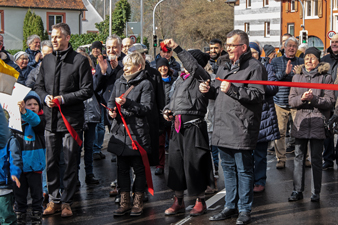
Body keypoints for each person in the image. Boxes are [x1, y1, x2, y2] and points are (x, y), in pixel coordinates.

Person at [201, 30, 266, 224]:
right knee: (227, 170)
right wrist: (208, 91)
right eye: (227, 45)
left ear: (243, 47)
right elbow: (219, 94)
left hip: (241, 127)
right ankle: (230, 206)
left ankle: (244, 209)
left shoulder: (255, 67)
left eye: (231, 45)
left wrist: (233, 89)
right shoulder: (224, 66)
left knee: (244, 170)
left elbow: (258, 95)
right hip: (222, 126)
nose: (227, 48)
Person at [34, 22, 93, 217]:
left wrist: (63, 99)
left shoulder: (80, 61)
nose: (54, 39)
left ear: (68, 38)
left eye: (58, 36)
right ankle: (53, 200)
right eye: (52, 36)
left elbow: (87, 90)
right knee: (50, 162)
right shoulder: (47, 60)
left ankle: (67, 201)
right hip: (50, 120)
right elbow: (38, 86)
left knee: (69, 161)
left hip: (71, 121)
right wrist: (45, 97)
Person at [162, 39, 213, 217]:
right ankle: (178, 201)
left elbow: (192, 66)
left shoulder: (202, 77)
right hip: (176, 127)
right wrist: (167, 111)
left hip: (194, 128)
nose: (184, 64)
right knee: (175, 164)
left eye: (188, 60)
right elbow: (172, 102)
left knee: (195, 165)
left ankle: (200, 201)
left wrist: (177, 48)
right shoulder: (179, 79)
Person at [107, 52, 154, 217]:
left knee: (139, 169)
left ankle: (138, 201)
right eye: (124, 65)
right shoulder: (119, 81)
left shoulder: (145, 84)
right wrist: (111, 112)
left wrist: (128, 103)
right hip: (120, 132)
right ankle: (124, 201)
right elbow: (111, 101)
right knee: (122, 169)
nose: (124, 68)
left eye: (128, 65)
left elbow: (146, 109)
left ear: (139, 66)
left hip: (137, 133)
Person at [288, 47, 335, 202]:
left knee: (316, 158)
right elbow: (291, 101)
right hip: (301, 121)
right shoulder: (296, 77)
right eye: (306, 58)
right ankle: (297, 190)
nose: (309, 61)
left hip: (318, 121)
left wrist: (313, 99)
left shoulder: (326, 78)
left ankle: (316, 191)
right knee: (298, 157)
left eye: (312, 58)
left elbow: (330, 102)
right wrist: (302, 98)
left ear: (318, 60)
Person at [249, 42, 280, 193]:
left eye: (254, 52)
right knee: (246, 153)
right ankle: (248, 179)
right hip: (246, 115)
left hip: (263, 115)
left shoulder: (267, 67)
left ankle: (260, 180)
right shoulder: (242, 67)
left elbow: (273, 87)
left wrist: (256, 86)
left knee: (260, 153)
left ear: (259, 54)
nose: (252, 54)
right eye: (249, 52)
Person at [12, 91, 46, 225]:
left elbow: (35, 121)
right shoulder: (15, 123)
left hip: (34, 166)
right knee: (19, 195)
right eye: (29, 104)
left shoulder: (40, 120)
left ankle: (37, 216)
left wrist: (25, 112)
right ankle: (20, 216)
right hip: (19, 167)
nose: (32, 106)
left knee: (37, 194)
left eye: (35, 104)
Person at [271, 36, 304, 169]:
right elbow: (272, 79)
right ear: (284, 47)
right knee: (280, 132)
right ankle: (281, 158)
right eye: (289, 45)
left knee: (300, 131)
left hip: (297, 102)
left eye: (294, 46)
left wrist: (298, 75)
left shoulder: (301, 61)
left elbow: (305, 81)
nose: (291, 48)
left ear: (297, 49)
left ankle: (303, 157)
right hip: (280, 101)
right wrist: (285, 73)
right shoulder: (276, 61)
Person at [93, 35, 125, 162]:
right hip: (105, 105)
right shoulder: (102, 61)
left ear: (121, 47)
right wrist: (102, 72)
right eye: (109, 47)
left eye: (114, 47)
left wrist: (118, 68)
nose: (111, 50)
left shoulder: (127, 60)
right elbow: (95, 86)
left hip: (122, 105)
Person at [77, 51, 100, 185]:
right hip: (78, 115)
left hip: (91, 114)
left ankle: (89, 174)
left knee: (89, 146)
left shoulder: (93, 75)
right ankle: (76, 176)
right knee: (77, 147)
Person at [0, 105, 22, 225]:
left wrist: (15, 173)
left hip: (3, 186)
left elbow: (15, 159)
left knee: (6, 216)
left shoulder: (10, 140)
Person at [321, 34, 338, 170]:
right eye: (333, 42)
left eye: (337, 42)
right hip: (327, 99)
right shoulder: (325, 59)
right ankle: (327, 160)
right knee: (327, 131)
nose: (334, 44)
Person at [155, 57, 174, 175]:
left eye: (165, 66)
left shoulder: (174, 81)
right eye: (160, 66)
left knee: (173, 143)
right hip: (159, 116)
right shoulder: (154, 81)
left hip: (172, 116)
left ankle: (174, 165)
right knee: (160, 144)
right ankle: (160, 165)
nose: (163, 68)